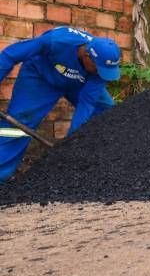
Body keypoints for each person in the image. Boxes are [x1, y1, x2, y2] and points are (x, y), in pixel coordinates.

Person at [0, 26, 120, 180]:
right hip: (41, 77)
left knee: (108, 114)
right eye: (99, 68)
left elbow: (87, 102)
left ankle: (104, 165)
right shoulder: (56, 40)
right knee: (19, 123)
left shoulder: (100, 67)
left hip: (79, 83)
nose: (101, 73)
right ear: (86, 56)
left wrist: (71, 141)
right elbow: (10, 55)